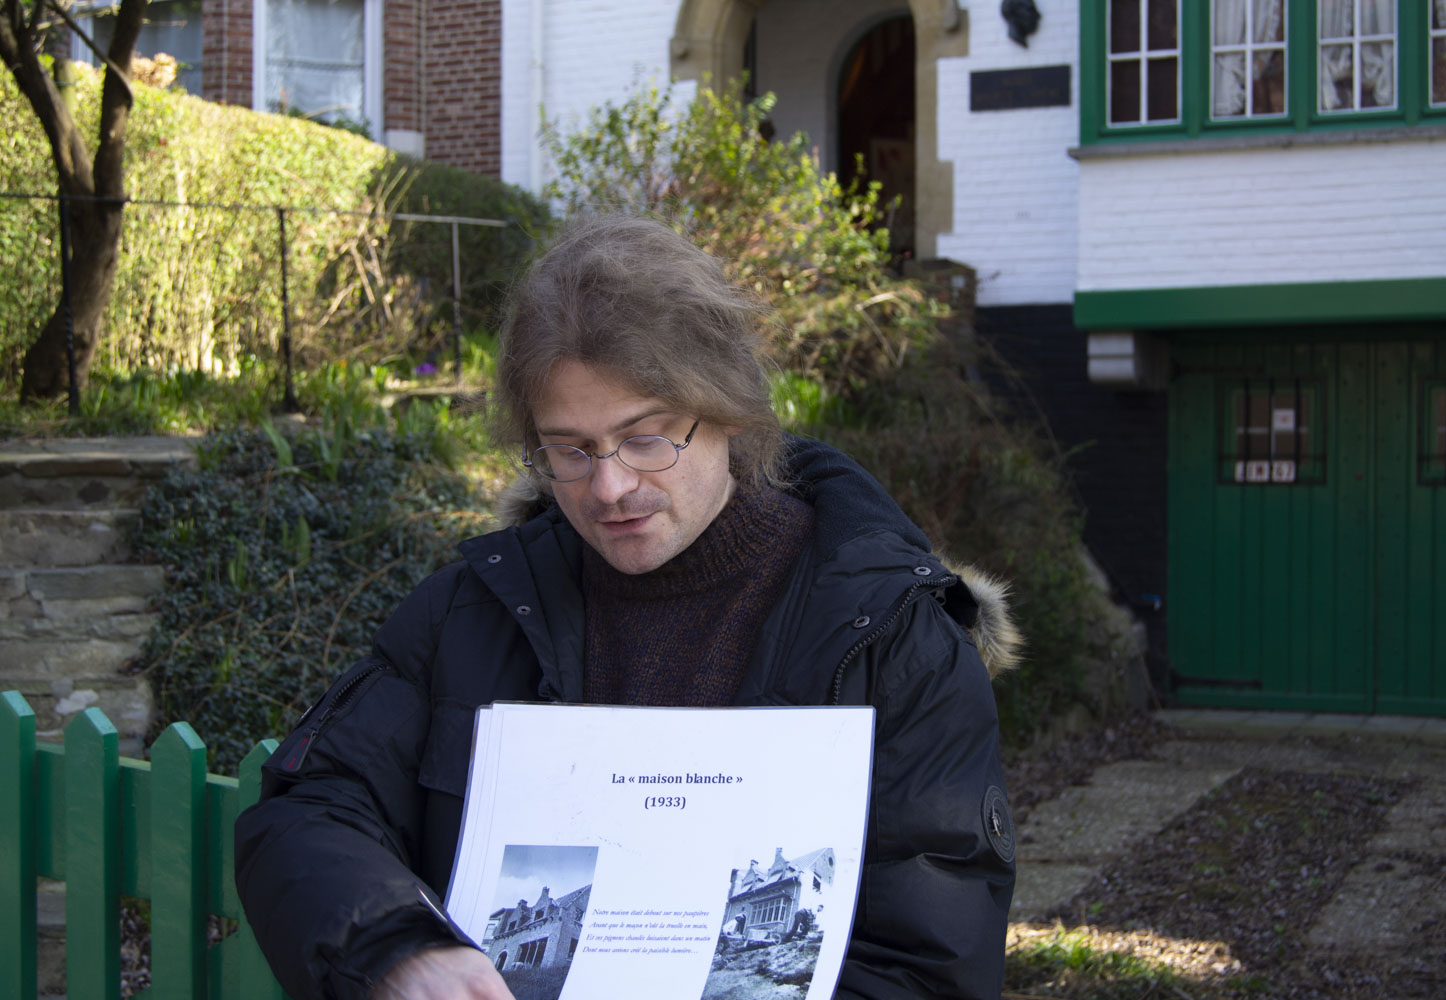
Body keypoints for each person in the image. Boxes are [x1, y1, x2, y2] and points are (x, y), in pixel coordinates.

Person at [234, 216, 1020, 999]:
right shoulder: (471, 613)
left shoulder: (890, 636)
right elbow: (314, 808)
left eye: (645, 438)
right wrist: (396, 949)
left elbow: (928, 965)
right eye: (569, 450)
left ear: (730, 410)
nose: (608, 489)